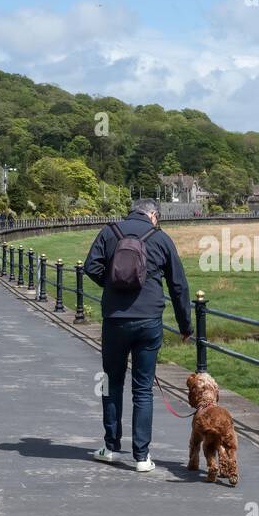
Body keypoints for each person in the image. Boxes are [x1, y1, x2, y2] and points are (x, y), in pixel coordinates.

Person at [83, 199, 193, 472]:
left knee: (112, 383)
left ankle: (110, 447)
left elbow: (90, 267)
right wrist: (185, 326)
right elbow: (178, 285)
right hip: (148, 321)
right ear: (153, 215)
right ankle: (142, 457)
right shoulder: (161, 238)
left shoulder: (110, 232)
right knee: (143, 389)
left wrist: (112, 285)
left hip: (115, 320)